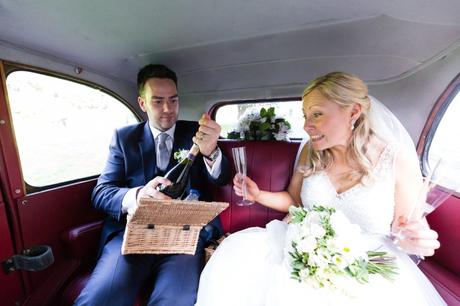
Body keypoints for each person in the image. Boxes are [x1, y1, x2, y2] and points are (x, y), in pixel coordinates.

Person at [195, 72, 446, 306]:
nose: (306, 125)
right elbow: (295, 201)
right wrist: (257, 194)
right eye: (305, 115)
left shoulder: (396, 159)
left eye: (317, 114)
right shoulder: (311, 152)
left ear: (354, 112)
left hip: (366, 266)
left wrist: (420, 241)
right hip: (297, 250)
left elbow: (408, 231)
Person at [75, 64, 230, 306]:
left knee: (176, 300)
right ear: (142, 103)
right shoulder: (124, 138)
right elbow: (101, 192)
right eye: (158, 101)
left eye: (173, 100)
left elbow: (221, 179)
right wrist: (136, 196)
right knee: (99, 298)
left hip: (184, 236)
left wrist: (211, 152)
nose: (168, 109)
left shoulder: (198, 134)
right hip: (131, 235)